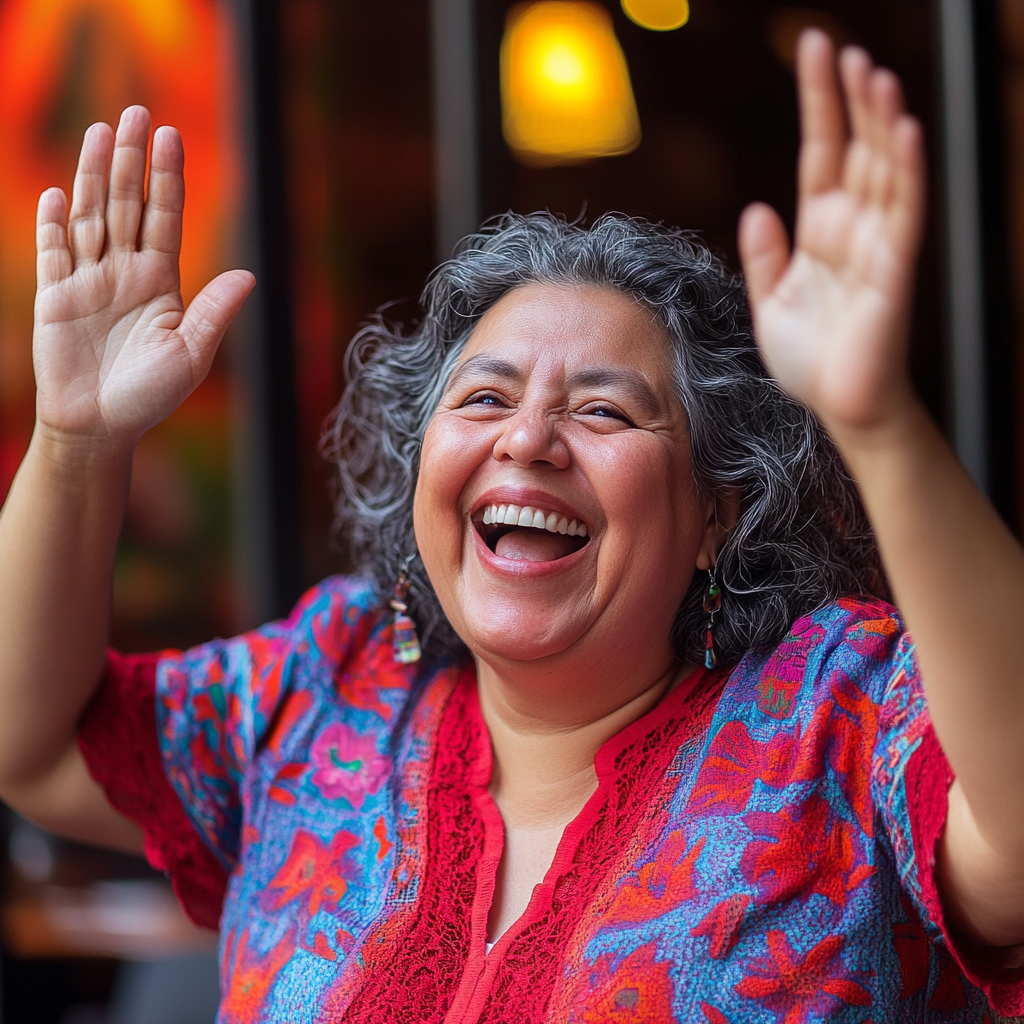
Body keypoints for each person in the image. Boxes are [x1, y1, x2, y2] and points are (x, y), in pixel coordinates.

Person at [0, 28, 1021, 1024]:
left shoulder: (837, 716)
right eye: (484, 399)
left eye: (604, 409)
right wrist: (76, 441)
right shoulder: (325, 684)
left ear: (716, 513)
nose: (528, 437)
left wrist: (878, 424)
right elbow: (29, 743)